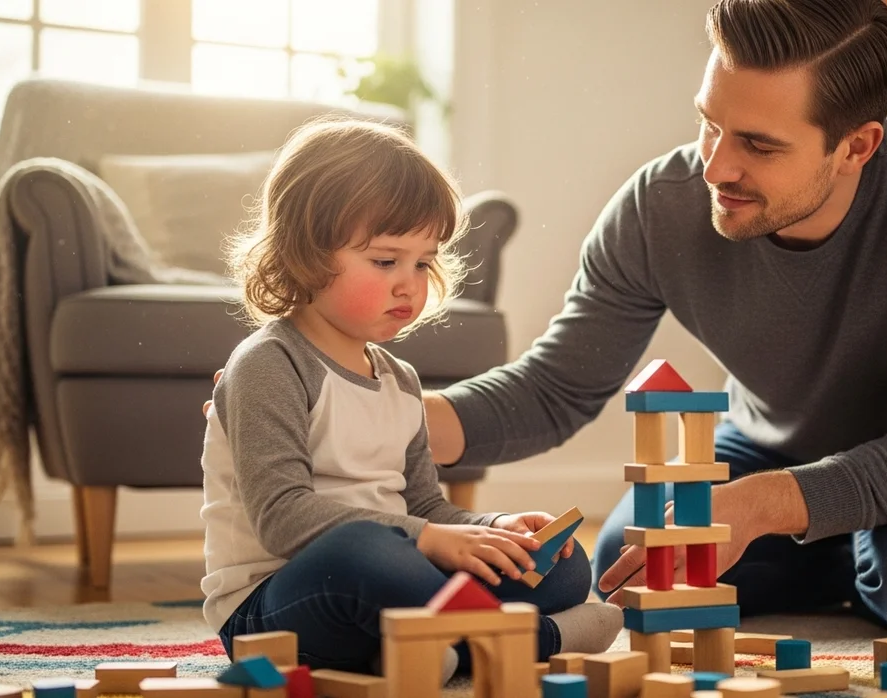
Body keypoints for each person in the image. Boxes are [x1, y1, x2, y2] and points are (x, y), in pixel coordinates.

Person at [419, 0, 887, 644]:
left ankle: (840, 547)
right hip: (764, 444)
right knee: (625, 570)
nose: (714, 168)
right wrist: (397, 424)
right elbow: (555, 387)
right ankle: (838, 550)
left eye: (759, 145)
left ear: (856, 147)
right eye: (710, 123)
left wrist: (760, 505)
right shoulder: (658, 204)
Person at [198, 118, 622, 684]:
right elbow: (284, 518)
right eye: (385, 261)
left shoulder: (399, 380)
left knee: (561, 570)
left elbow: (425, 507)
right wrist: (428, 540)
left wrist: (493, 528)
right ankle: (532, 641)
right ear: (305, 254)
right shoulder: (268, 364)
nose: (410, 284)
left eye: (422, 262)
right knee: (367, 553)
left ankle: (428, 644)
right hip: (274, 608)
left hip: (393, 581)